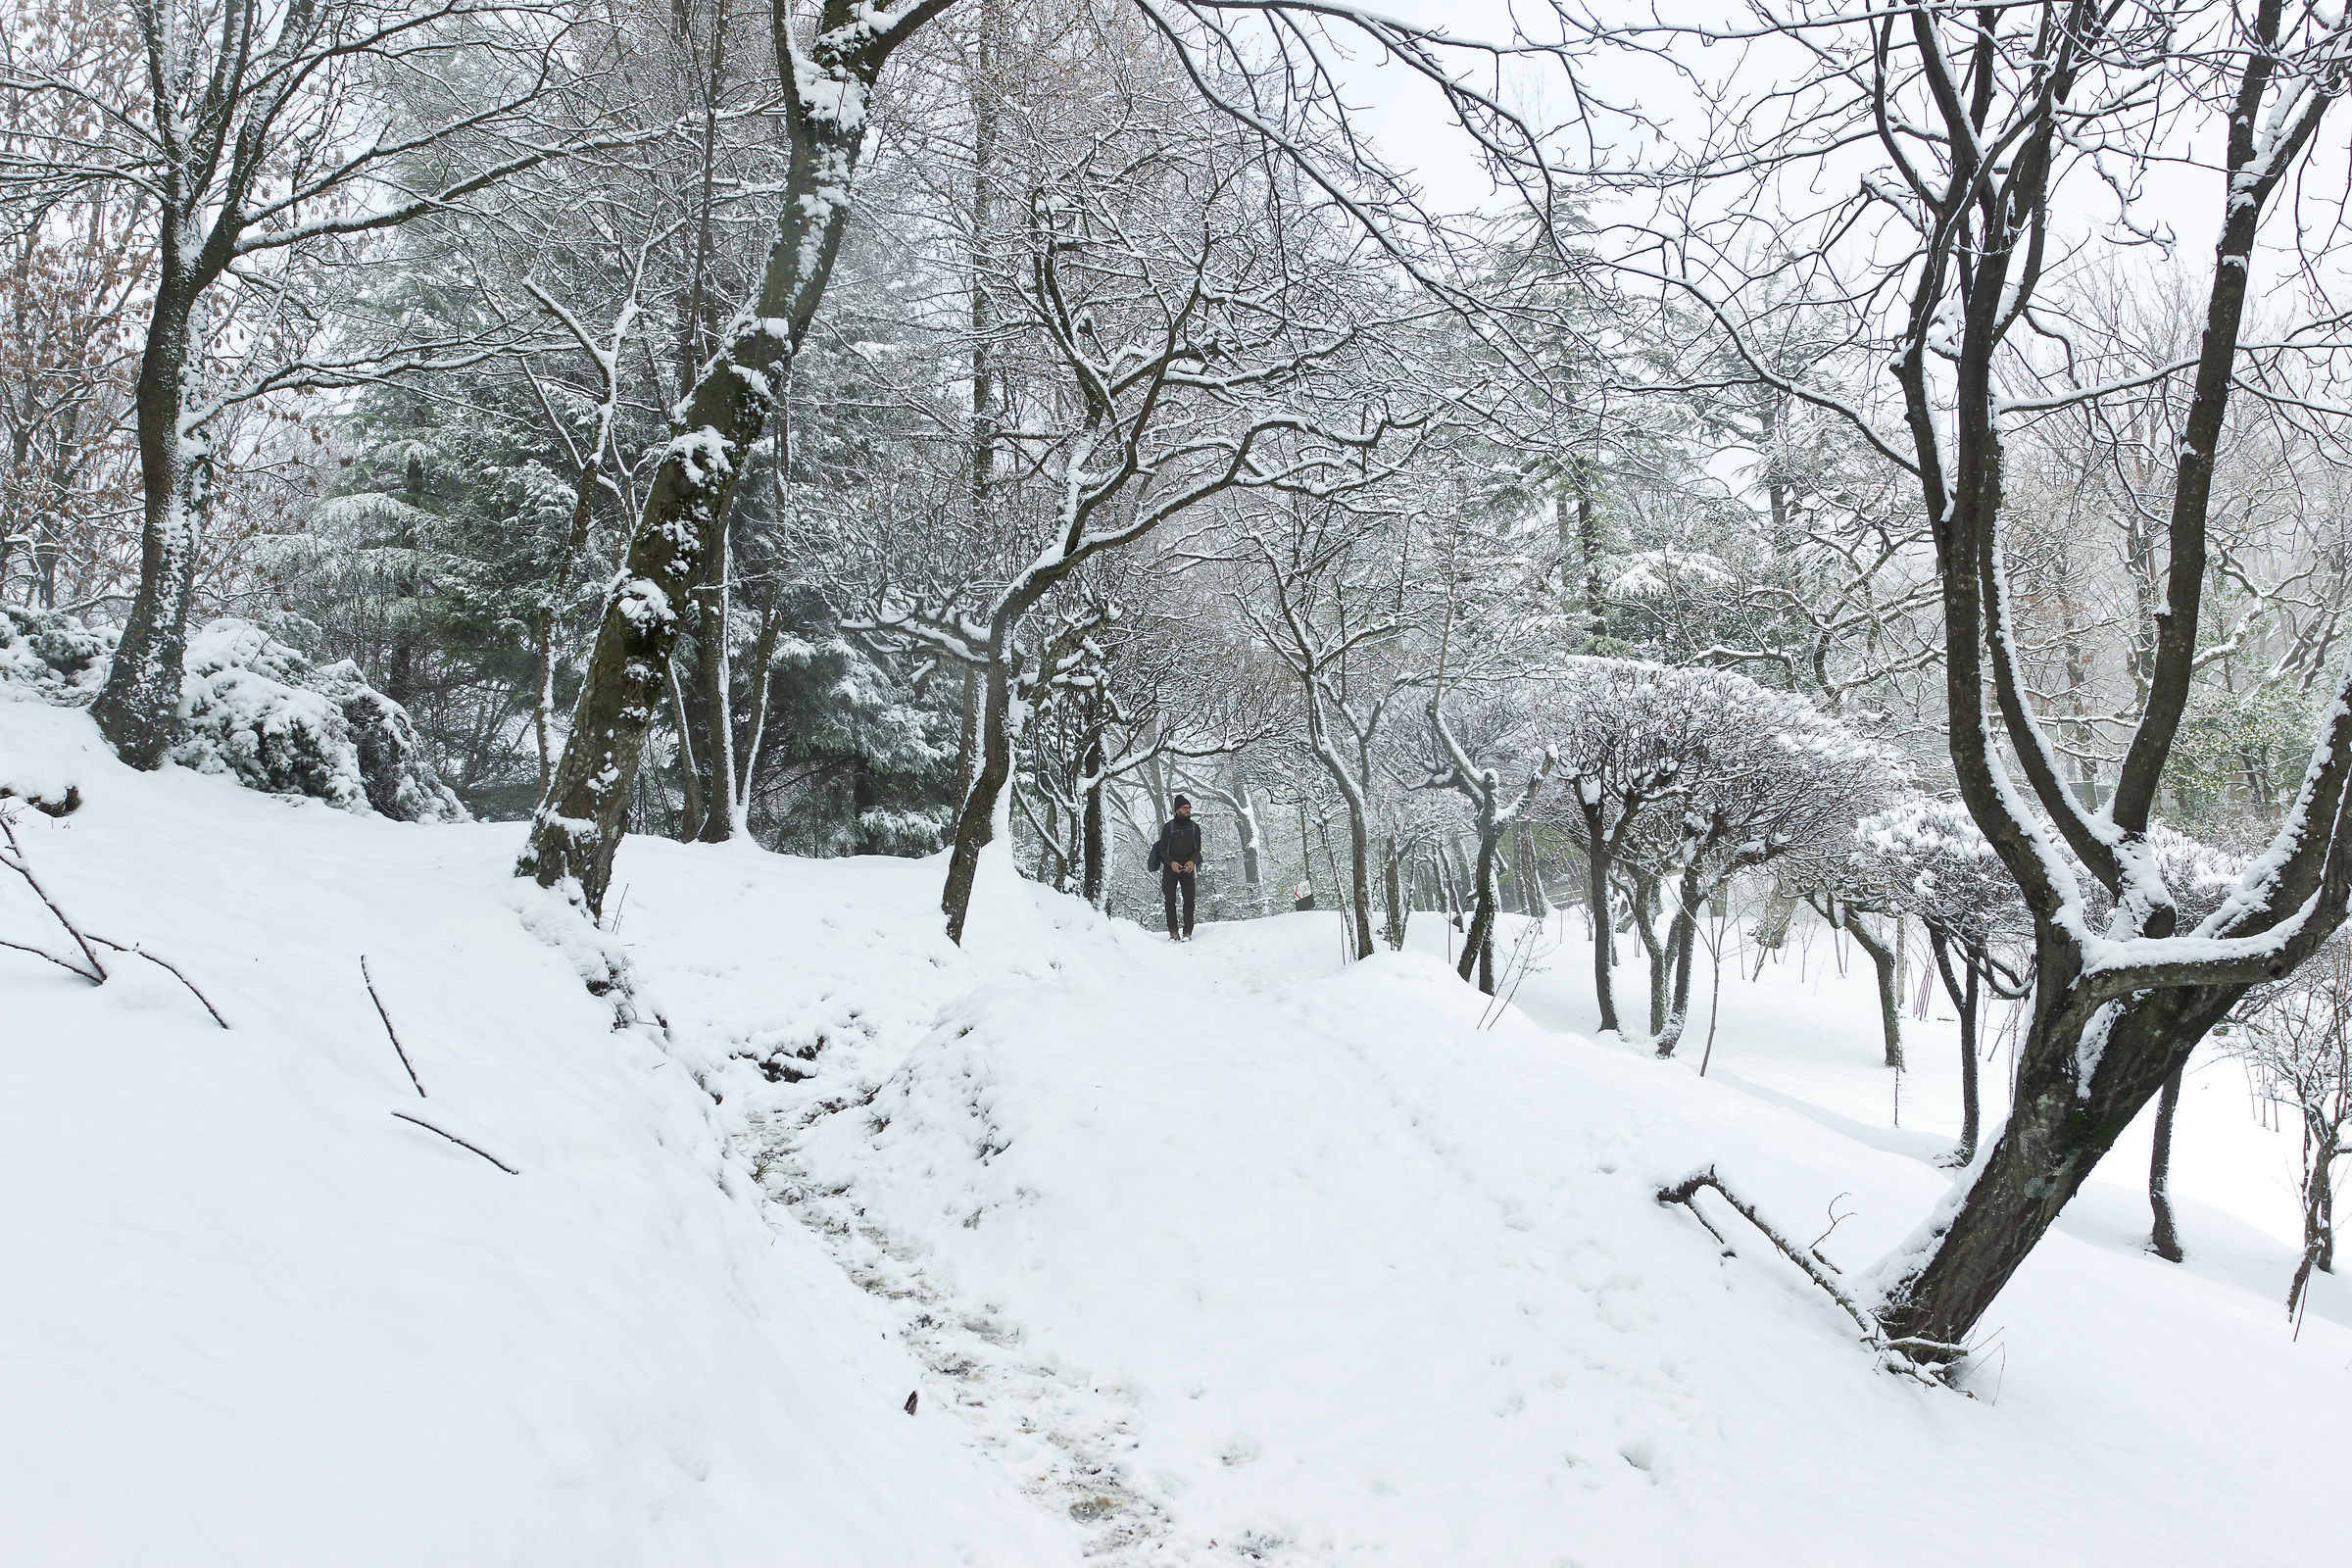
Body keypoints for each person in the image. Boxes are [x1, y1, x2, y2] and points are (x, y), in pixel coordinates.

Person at [1147, 796, 1203, 941]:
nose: (1188, 810)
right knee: (1170, 900)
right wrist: (1171, 863)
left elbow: (1197, 849)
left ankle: (1187, 932)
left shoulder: (1195, 827)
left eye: (1189, 808)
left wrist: (1192, 861)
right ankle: (1173, 932)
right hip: (1170, 868)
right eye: (1185, 808)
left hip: (1188, 868)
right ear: (1177, 810)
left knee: (1189, 900)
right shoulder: (1168, 827)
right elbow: (1162, 849)